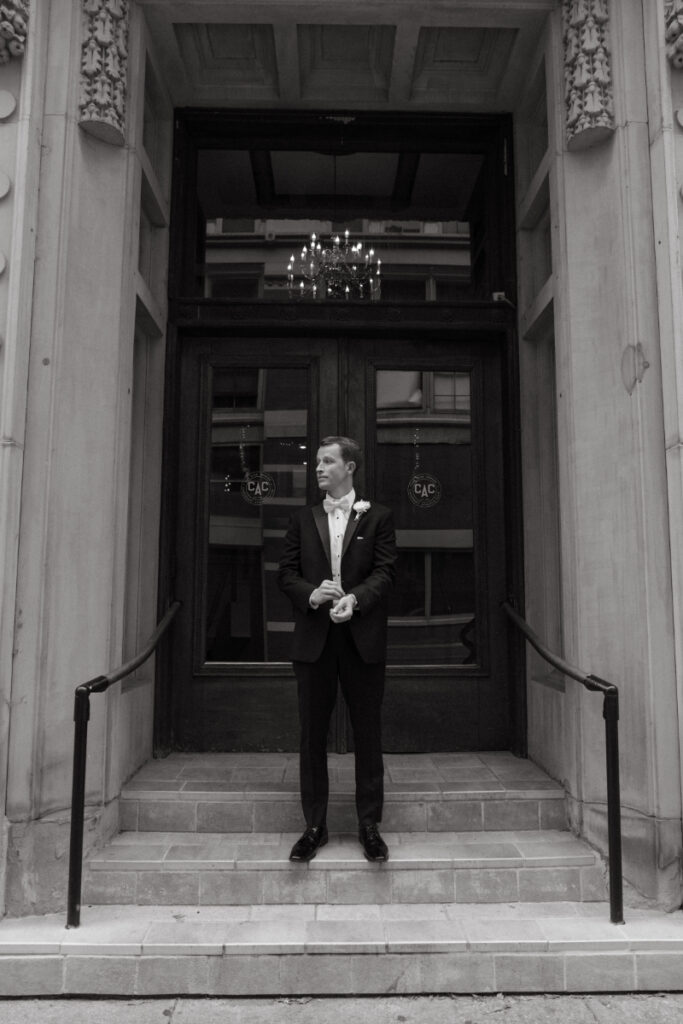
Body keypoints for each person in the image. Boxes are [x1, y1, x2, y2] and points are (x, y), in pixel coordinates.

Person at [278, 436, 397, 863]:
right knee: (312, 736)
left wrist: (356, 599)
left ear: (350, 467)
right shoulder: (302, 519)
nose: (319, 468)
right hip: (314, 643)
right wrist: (312, 595)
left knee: (368, 734)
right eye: (317, 463)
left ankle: (369, 825)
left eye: (328, 461)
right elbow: (285, 574)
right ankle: (314, 826)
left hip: (362, 640)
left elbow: (386, 572)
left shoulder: (378, 517)